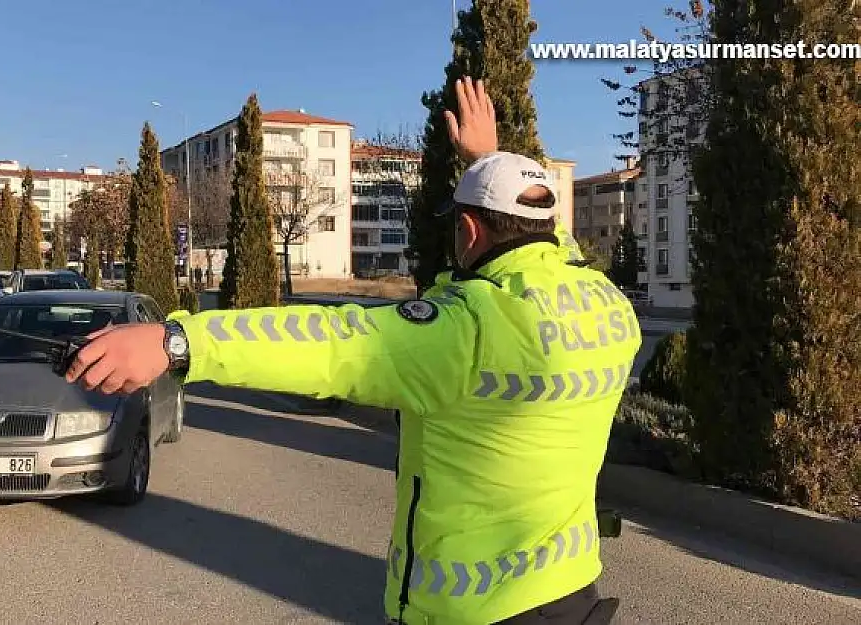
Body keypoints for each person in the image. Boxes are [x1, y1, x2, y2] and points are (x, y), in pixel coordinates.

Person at [64, 76, 641, 624]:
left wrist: (178, 342)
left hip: (478, 611)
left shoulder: (469, 330)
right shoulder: (607, 306)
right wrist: (487, 161)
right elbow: (543, 239)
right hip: (571, 591)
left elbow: (331, 342)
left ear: (468, 233)